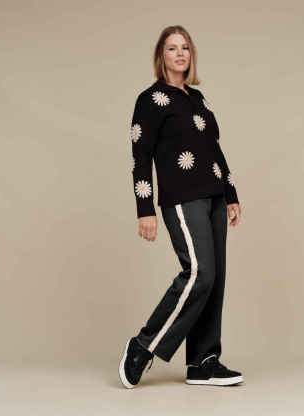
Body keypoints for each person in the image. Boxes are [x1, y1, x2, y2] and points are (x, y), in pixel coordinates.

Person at [119, 25, 243, 389]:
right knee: (199, 273)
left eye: (185, 48)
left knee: (214, 279)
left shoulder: (198, 99)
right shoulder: (150, 100)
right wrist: (145, 208)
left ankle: (203, 361)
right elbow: (140, 157)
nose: (180, 54)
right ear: (162, 55)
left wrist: (231, 194)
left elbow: (214, 149)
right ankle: (143, 346)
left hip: (214, 196)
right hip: (182, 196)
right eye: (172, 48)